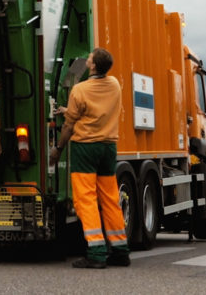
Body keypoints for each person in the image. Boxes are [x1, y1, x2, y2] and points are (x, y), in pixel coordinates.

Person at [49, 47, 130, 269]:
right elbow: (95, 111)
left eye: (91, 58)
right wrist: (70, 109)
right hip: (108, 148)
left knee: (86, 199)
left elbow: (69, 126)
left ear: (93, 65)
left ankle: (96, 252)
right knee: (110, 198)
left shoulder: (79, 90)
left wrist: (58, 149)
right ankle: (121, 251)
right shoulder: (114, 85)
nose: (88, 59)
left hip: (85, 148)